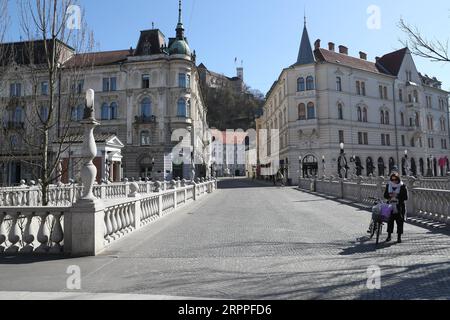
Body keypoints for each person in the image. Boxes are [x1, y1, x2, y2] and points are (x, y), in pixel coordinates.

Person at [384, 173, 408, 243]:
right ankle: (389, 236)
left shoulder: (403, 186)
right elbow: (385, 195)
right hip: (390, 206)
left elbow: (406, 197)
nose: (394, 181)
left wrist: (397, 196)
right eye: (392, 179)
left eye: (395, 179)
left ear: (398, 179)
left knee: (400, 222)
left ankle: (399, 237)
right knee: (390, 221)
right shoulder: (388, 185)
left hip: (399, 206)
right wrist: (389, 195)